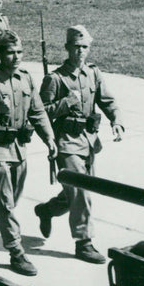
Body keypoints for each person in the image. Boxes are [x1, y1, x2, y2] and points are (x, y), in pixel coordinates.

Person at [0, 30, 57, 277]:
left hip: (18, 147)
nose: (16, 57)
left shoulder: (26, 79)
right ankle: (16, 251)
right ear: (0, 54)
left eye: (19, 52)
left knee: (9, 200)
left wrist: (49, 138)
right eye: (10, 52)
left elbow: (37, 112)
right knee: (5, 202)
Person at [35, 25, 124, 263]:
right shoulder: (55, 78)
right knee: (81, 191)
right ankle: (83, 242)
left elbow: (107, 100)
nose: (80, 52)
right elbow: (40, 113)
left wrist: (117, 120)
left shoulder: (93, 73)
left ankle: (47, 210)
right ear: (67, 48)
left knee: (76, 191)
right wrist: (65, 102)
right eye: (76, 47)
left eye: (85, 47)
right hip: (66, 142)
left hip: (88, 141)